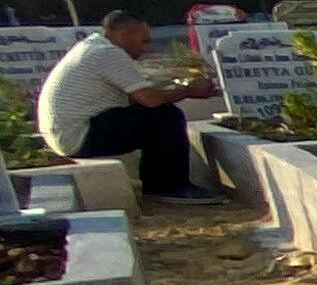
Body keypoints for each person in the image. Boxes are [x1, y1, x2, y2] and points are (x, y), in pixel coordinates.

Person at [37, 14, 218, 200]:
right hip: (79, 136)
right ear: (125, 34)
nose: (146, 48)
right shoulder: (108, 53)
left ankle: (159, 184)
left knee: (152, 117)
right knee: (166, 117)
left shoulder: (93, 47)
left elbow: (137, 95)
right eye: (144, 41)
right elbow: (150, 100)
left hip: (69, 135)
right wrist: (189, 90)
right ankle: (169, 187)